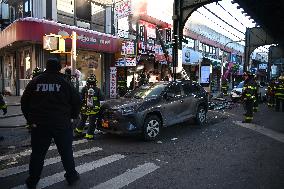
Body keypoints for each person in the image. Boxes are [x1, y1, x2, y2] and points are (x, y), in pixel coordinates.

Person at [21, 58, 81, 189]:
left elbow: (24, 102)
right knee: (66, 152)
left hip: (40, 125)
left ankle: (32, 181)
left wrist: (31, 120)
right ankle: (71, 176)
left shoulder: (35, 81)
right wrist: (73, 117)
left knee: (37, 154)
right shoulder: (65, 82)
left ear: (46, 67)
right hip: (62, 124)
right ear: (59, 68)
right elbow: (77, 100)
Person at [74, 74, 105, 139]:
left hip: (84, 108)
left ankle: (78, 132)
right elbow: (102, 99)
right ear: (95, 82)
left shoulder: (84, 89)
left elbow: (80, 98)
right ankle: (89, 135)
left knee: (82, 120)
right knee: (92, 122)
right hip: (94, 109)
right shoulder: (97, 89)